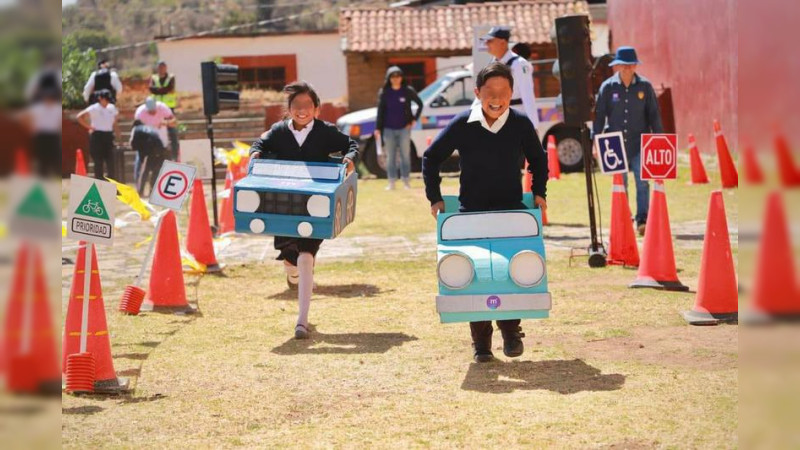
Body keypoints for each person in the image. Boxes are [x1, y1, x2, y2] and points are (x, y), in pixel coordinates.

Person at [423, 63, 548, 363]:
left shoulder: (520, 123)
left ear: (511, 94)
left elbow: (538, 159)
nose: (496, 98)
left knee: (510, 271)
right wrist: (434, 197)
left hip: (512, 213)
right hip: (471, 215)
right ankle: (481, 343)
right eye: (489, 92)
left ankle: (510, 330)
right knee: (475, 273)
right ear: (478, 93)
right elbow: (431, 157)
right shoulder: (462, 123)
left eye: (503, 93)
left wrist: (540, 192)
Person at [249, 81, 359, 340]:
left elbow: (351, 145)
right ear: (288, 109)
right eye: (296, 106)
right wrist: (254, 155)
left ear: (316, 109)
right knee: (291, 259)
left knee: (307, 254)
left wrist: (350, 159)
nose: (302, 111)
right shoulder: (277, 131)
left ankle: (302, 322)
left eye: (307, 106)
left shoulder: (326, 131)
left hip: (316, 204)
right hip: (285, 207)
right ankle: (292, 271)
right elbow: (258, 145)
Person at [592, 46, 663, 235]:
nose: (627, 69)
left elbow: (654, 115)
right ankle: (624, 217)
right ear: (617, 66)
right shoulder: (607, 87)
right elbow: (599, 116)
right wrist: (595, 142)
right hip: (614, 144)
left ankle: (642, 219)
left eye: (630, 65)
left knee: (642, 181)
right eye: (623, 65)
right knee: (620, 182)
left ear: (635, 66)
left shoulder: (645, 87)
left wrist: (659, 141)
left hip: (640, 141)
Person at [480, 26, 539, 128]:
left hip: (515, 119)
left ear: (502, 42)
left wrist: (533, 127)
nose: (486, 44)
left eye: (490, 41)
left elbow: (527, 96)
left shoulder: (519, 64)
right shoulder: (492, 63)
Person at [374, 66, 423, 190]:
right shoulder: (384, 93)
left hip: (404, 129)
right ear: (389, 79)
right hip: (388, 129)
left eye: (398, 76)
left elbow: (420, 104)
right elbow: (380, 111)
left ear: (402, 78)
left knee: (405, 155)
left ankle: (406, 181)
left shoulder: (407, 91)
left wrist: (413, 120)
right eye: (393, 77)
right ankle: (391, 182)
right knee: (390, 156)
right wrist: (377, 128)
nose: (396, 79)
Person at [24, 61, 63, 178]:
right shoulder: (38, 108)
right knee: (41, 159)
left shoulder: (55, 108)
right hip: (41, 134)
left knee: (52, 157)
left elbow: (30, 92)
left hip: (51, 134)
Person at [76, 90, 119, 180]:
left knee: (111, 162)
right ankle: (100, 183)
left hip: (108, 135)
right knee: (98, 162)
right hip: (97, 136)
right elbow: (79, 117)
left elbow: (115, 122)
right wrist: (89, 127)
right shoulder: (94, 108)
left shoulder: (111, 108)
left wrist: (118, 134)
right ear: (100, 99)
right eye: (105, 100)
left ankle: (112, 183)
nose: (107, 102)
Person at [133, 96, 176, 182]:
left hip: (160, 142)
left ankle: (156, 187)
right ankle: (139, 187)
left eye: (154, 110)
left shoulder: (162, 107)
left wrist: (165, 123)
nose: (152, 113)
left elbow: (174, 122)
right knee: (141, 167)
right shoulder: (140, 112)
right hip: (146, 144)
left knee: (159, 168)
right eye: (150, 111)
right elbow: (136, 129)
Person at [149, 61, 180, 160]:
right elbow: (151, 89)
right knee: (156, 132)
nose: (161, 69)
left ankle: (175, 156)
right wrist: (163, 90)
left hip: (169, 108)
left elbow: (170, 88)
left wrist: (159, 90)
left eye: (163, 67)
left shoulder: (171, 77)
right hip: (157, 109)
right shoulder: (153, 78)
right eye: (160, 67)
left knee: (172, 132)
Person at [129, 120, 168, 197]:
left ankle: (140, 191)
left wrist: (139, 150)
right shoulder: (149, 128)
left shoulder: (136, 129)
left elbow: (132, 144)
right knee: (155, 171)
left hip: (148, 149)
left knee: (143, 172)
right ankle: (152, 191)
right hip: (159, 149)